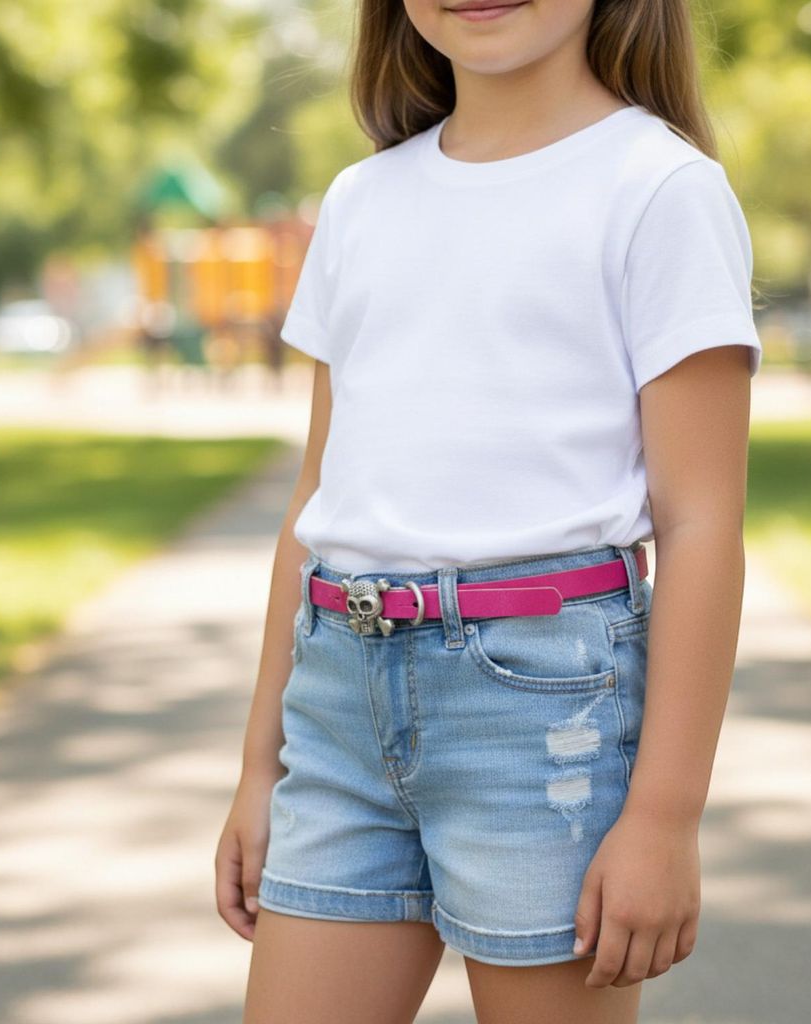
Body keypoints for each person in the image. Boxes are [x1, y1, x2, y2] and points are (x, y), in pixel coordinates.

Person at [219, 0, 763, 1019]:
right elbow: (317, 499)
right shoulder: (359, 201)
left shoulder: (659, 189)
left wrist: (663, 815)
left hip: (541, 713)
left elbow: (700, 525)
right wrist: (260, 765)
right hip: (336, 709)